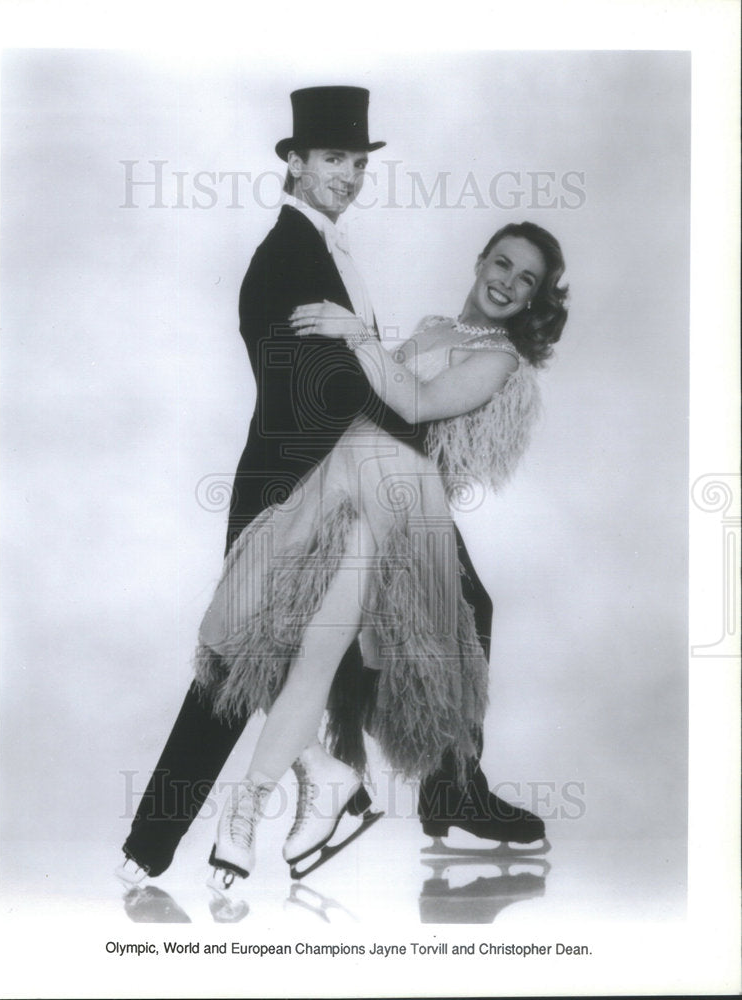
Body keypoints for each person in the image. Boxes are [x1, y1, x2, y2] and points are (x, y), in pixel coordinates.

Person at [118, 87, 547, 885]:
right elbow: (316, 396)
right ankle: (195, 826)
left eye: (356, 160)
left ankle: (434, 784)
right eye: (332, 159)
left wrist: (372, 357)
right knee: (241, 659)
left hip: (365, 482)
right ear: (295, 162)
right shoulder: (287, 256)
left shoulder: (338, 260)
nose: (348, 175)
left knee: (447, 615)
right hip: (301, 483)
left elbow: (379, 393)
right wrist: (379, 371)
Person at [199, 220, 569, 884]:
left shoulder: (499, 357)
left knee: (320, 650)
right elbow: (367, 395)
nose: (507, 282)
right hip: (341, 483)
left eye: (526, 280)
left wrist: (355, 333)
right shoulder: (434, 326)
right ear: (480, 258)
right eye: (502, 263)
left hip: (393, 504)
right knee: (242, 630)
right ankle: (330, 779)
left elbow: (416, 401)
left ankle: (252, 810)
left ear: (535, 297)